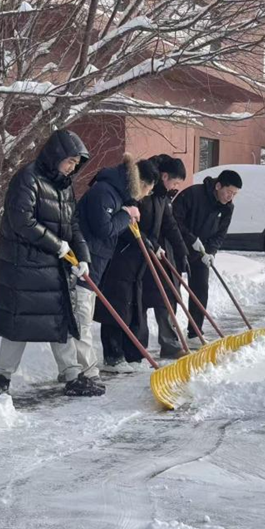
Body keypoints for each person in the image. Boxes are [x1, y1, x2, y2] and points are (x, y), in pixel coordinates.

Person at [0, 129, 104, 397]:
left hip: (52, 267)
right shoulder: (27, 179)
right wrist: (57, 245)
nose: (71, 168)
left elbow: (73, 225)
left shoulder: (63, 186)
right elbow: (22, 222)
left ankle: (73, 376)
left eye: (76, 165)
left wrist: (83, 257)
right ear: (56, 155)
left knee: (59, 321)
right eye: (69, 162)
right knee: (19, 326)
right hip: (24, 267)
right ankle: (2, 378)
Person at [73, 152, 143, 382]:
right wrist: (125, 215)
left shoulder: (115, 194)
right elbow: (103, 229)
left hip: (95, 262)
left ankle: (78, 368)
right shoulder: (104, 192)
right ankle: (87, 370)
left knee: (83, 315)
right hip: (85, 263)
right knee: (82, 316)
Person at [94, 157, 160, 370]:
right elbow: (109, 227)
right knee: (115, 305)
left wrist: (150, 242)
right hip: (115, 258)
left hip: (131, 261)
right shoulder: (113, 191)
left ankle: (127, 354)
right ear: (140, 182)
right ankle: (112, 356)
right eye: (147, 189)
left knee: (128, 306)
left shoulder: (126, 193)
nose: (146, 195)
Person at [172, 169, 242, 339]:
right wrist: (190, 239)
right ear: (218, 186)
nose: (230, 197)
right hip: (178, 247)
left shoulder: (228, 208)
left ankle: (195, 331)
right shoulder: (193, 194)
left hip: (201, 252)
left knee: (201, 289)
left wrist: (211, 252)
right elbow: (174, 220)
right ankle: (171, 334)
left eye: (234, 194)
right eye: (228, 192)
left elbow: (221, 234)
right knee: (172, 290)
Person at [136, 155, 190, 358]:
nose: (175, 187)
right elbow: (136, 225)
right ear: (164, 176)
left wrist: (182, 250)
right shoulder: (144, 191)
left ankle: (169, 344)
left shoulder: (162, 196)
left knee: (166, 296)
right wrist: (154, 245)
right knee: (138, 303)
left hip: (156, 254)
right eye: (175, 182)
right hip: (138, 256)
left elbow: (170, 224)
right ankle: (138, 349)